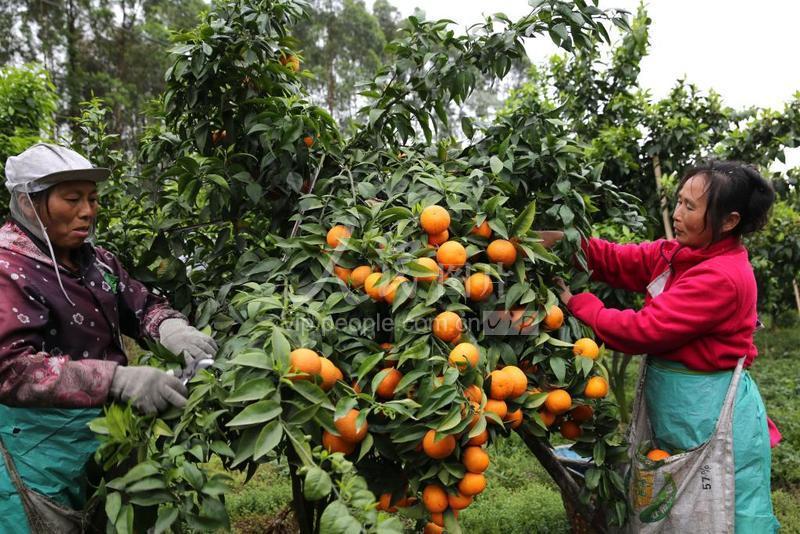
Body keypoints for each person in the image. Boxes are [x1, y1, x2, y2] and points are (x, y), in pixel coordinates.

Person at [542, 160, 779, 532]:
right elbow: (621, 261)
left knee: (720, 510)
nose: (677, 213)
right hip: (679, 409)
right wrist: (565, 243)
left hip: (709, 412)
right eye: (679, 201)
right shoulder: (681, 255)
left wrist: (577, 303)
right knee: (676, 502)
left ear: (729, 221)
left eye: (690, 206)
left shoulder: (722, 277)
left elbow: (643, 331)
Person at [0, 143, 218, 532]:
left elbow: (139, 303)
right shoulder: (8, 268)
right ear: (28, 203)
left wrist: (170, 328)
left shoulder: (95, 259)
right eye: (73, 199)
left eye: (93, 198)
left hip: (110, 431)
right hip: (41, 446)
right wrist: (116, 379)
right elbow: (12, 369)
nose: (88, 210)